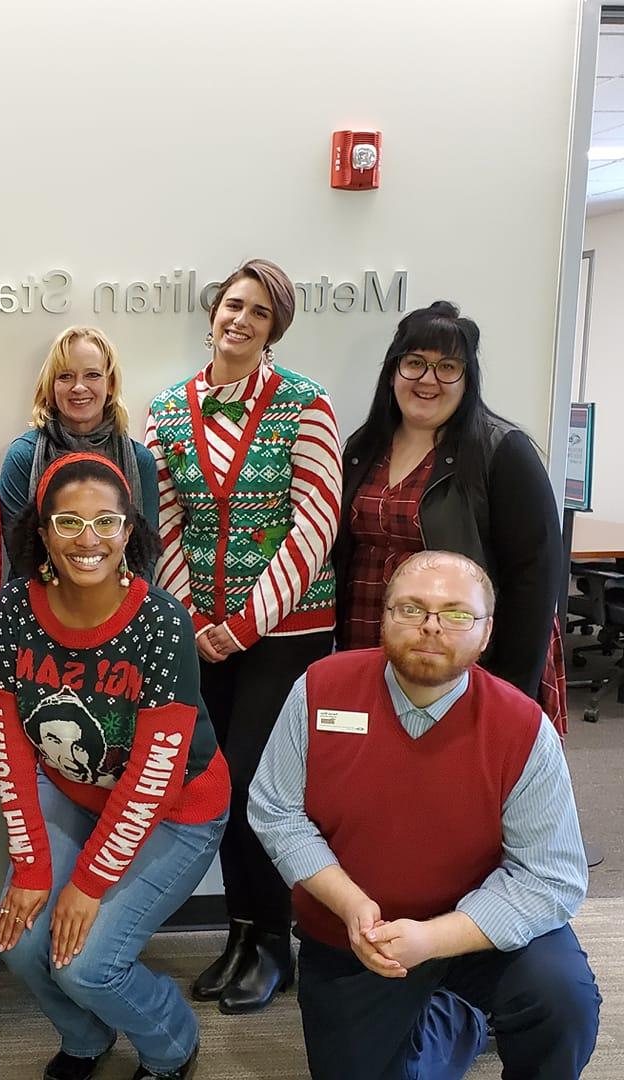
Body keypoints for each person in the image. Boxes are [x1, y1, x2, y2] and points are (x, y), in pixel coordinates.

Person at [249, 551, 599, 1080]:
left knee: (562, 1001)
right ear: (381, 618)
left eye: (457, 614)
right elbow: (275, 810)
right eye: (410, 608)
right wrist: (351, 905)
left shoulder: (522, 727)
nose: (431, 628)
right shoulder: (319, 690)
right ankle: (462, 1020)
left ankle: (471, 1009)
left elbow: (551, 876)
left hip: (477, 933)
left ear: (485, 634)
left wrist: (434, 939)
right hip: (360, 938)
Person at [0, 452, 229, 1080]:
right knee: (21, 942)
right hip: (72, 789)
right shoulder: (14, 608)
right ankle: (86, 1038)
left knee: (86, 963)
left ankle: (173, 1044)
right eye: (67, 522)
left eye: (105, 522)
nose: (86, 539)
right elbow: (9, 745)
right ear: (41, 534)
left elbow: (152, 779)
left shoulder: (162, 622)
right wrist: (35, 870)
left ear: (129, 531)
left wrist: (86, 885)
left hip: (176, 809)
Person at [144, 257, 342, 1013]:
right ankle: (238, 929)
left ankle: (274, 941)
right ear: (212, 312)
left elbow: (317, 522)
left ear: (273, 329)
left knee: (262, 779)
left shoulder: (306, 404)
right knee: (216, 780)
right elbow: (159, 519)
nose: (241, 320)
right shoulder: (169, 408)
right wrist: (194, 619)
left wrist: (246, 623)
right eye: (234, 305)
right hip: (199, 628)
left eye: (258, 312)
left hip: (285, 628)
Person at [333, 301, 567, 733]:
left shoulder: (502, 452)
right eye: (415, 363)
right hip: (367, 642)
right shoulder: (363, 448)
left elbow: (535, 579)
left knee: (455, 779)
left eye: (447, 367)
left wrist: (509, 689)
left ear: (467, 379)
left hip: (461, 659)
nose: (428, 379)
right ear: (393, 371)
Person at [0, 326, 158, 575]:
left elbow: (145, 557)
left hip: (122, 604)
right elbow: (20, 555)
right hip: (39, 602)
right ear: (51, 386)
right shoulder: (23, 457)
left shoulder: (140, 461)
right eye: (65, 376)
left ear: (111, 384)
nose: (79, 387)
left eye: (92, 375)